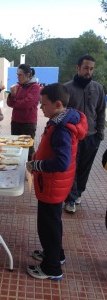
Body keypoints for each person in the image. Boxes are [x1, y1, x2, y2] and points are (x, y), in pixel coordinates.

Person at [26, 83, 87, 280]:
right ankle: (56, 254)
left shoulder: (62, 128)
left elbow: (61, 162)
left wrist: (37, 166)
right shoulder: (61, 119)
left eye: (43, 104)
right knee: (52, 223)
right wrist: (39, 154)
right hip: (55, 185)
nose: (40, 108)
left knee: (48, 226)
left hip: (52, 186)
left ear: (58, 104)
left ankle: (51, 268)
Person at [64, 55, 106, 214]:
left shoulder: (98, 88)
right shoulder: (67, 88)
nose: (89, 71)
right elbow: (62, 113)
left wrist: (100, 134)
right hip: (72, 137)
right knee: (71, 167)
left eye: (91, 68)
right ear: (78, 68)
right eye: (86, 68)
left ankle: (78, 193)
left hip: (92, 137)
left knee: (84, 168)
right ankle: (71, 199)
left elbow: (101, 112)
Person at [7, 64, 40, 160]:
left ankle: (30, 169)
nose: (18, 77)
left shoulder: (35, 87)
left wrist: (15, 102)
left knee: (28, 148)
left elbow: (27, 104)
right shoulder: (18, 86)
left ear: (28, 75)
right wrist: (12, 95)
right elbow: (9, 103)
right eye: (17, 74)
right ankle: (17, 165)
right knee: (15, 146)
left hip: (28, 123)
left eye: (20, 75)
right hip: (16, 121)